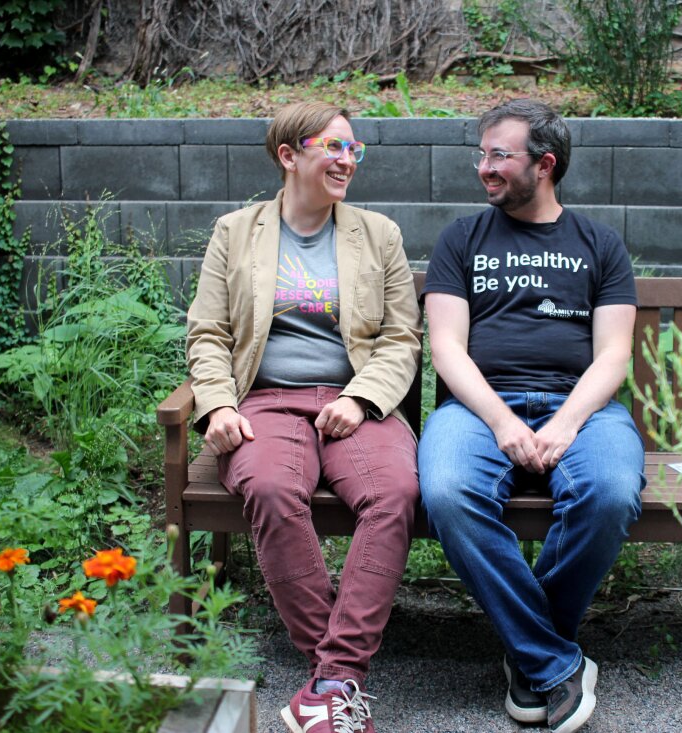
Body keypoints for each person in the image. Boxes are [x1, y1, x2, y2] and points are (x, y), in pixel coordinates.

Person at [186, 101, 422, 733]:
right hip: (265, 400)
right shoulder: (235, 232)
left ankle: (330, 682)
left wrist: (362, 397)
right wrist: (217, 403)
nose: (347, 160)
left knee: (394, 491)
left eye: (355, 150)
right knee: (269, 486)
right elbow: (208, 332)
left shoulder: (378, 234)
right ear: (289, 156)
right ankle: (337, 677)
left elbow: (402, 339)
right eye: (334, 147)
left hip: (355, 399)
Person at [418, 99, 646, 733]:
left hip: (582, 407)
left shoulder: (600, 244)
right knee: (445, 491)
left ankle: (529, 651)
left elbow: (613, 356)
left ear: (544, 165)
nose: (484, 168)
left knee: (610, 493)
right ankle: (550, 661)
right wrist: (502, 421)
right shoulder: (461, 239)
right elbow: (446, 350)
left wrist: (566, 423)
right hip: (477, 405)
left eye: (499, 156)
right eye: (482, 154)